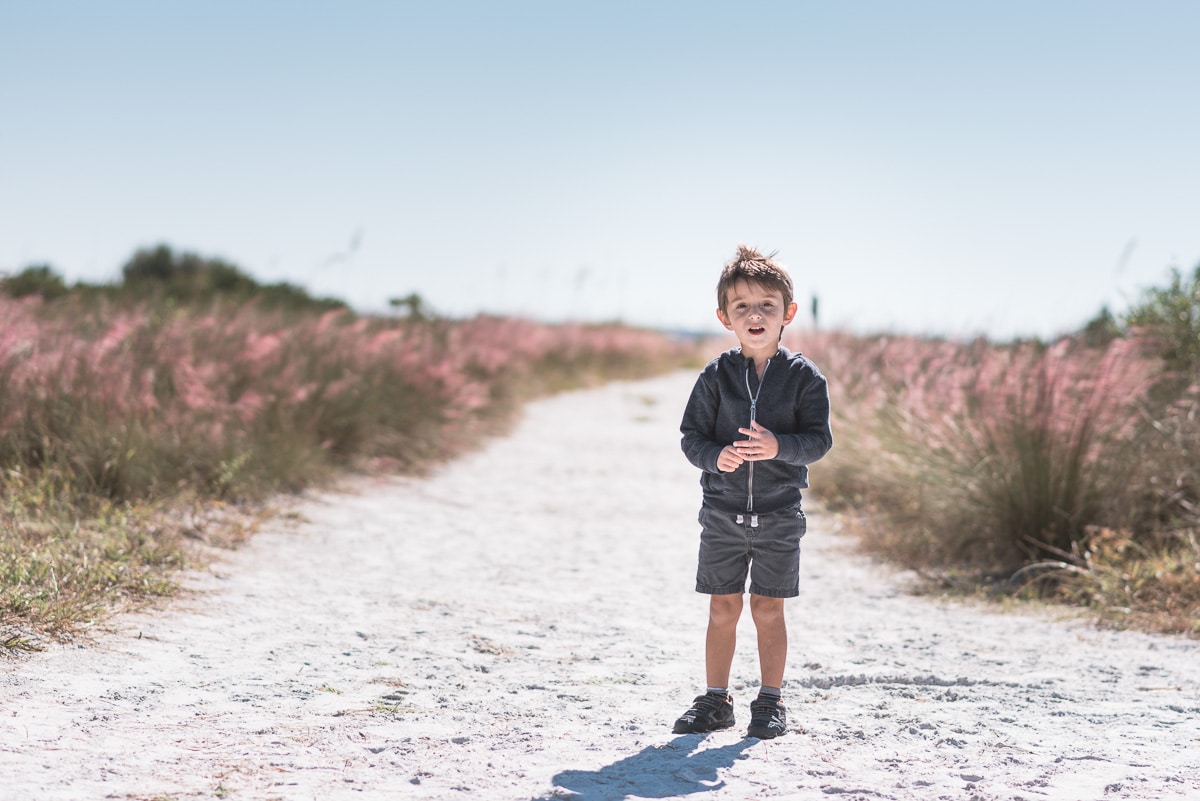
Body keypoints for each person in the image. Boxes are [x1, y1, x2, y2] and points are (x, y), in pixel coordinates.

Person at [675, 244, 833, 739]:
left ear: (787, 313)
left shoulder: (805, 378)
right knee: (723, 607)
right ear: (725, 317)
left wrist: (778, 445)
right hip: (721, 512)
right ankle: (716, 700)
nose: (755, 314)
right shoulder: (715, 377)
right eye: (741, 306)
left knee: (768, 607)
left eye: (766, 304)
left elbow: (818, 440)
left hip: (780, 514)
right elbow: (691, 437)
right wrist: (714, 456)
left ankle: (770, 701)